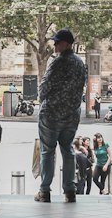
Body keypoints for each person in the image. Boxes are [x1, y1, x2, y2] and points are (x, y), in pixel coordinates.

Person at [35, 28, 87, 203]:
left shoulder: (58, 62)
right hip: (71, 115)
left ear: (66, 44)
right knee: (68, 151)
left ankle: (44, 191)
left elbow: (45, 86)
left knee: (47, 152)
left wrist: (41, 99)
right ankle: (69, 190)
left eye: (57, 42)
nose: (55, 45)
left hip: (51, 114)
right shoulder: (80, 63)